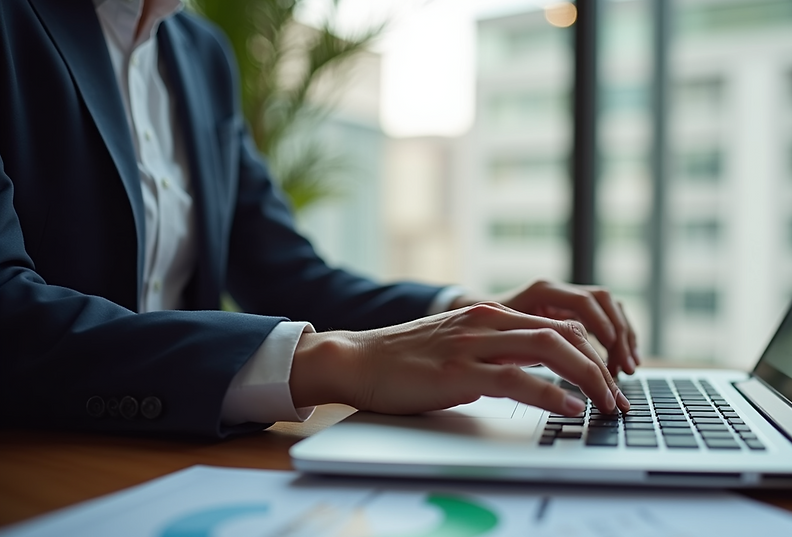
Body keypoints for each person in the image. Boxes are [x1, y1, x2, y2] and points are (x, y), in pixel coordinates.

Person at [0, 0, 638, 438]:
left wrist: (473, 312)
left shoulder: (198, 54)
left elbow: (288, 278)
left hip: (178, 456)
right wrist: (341, 360)